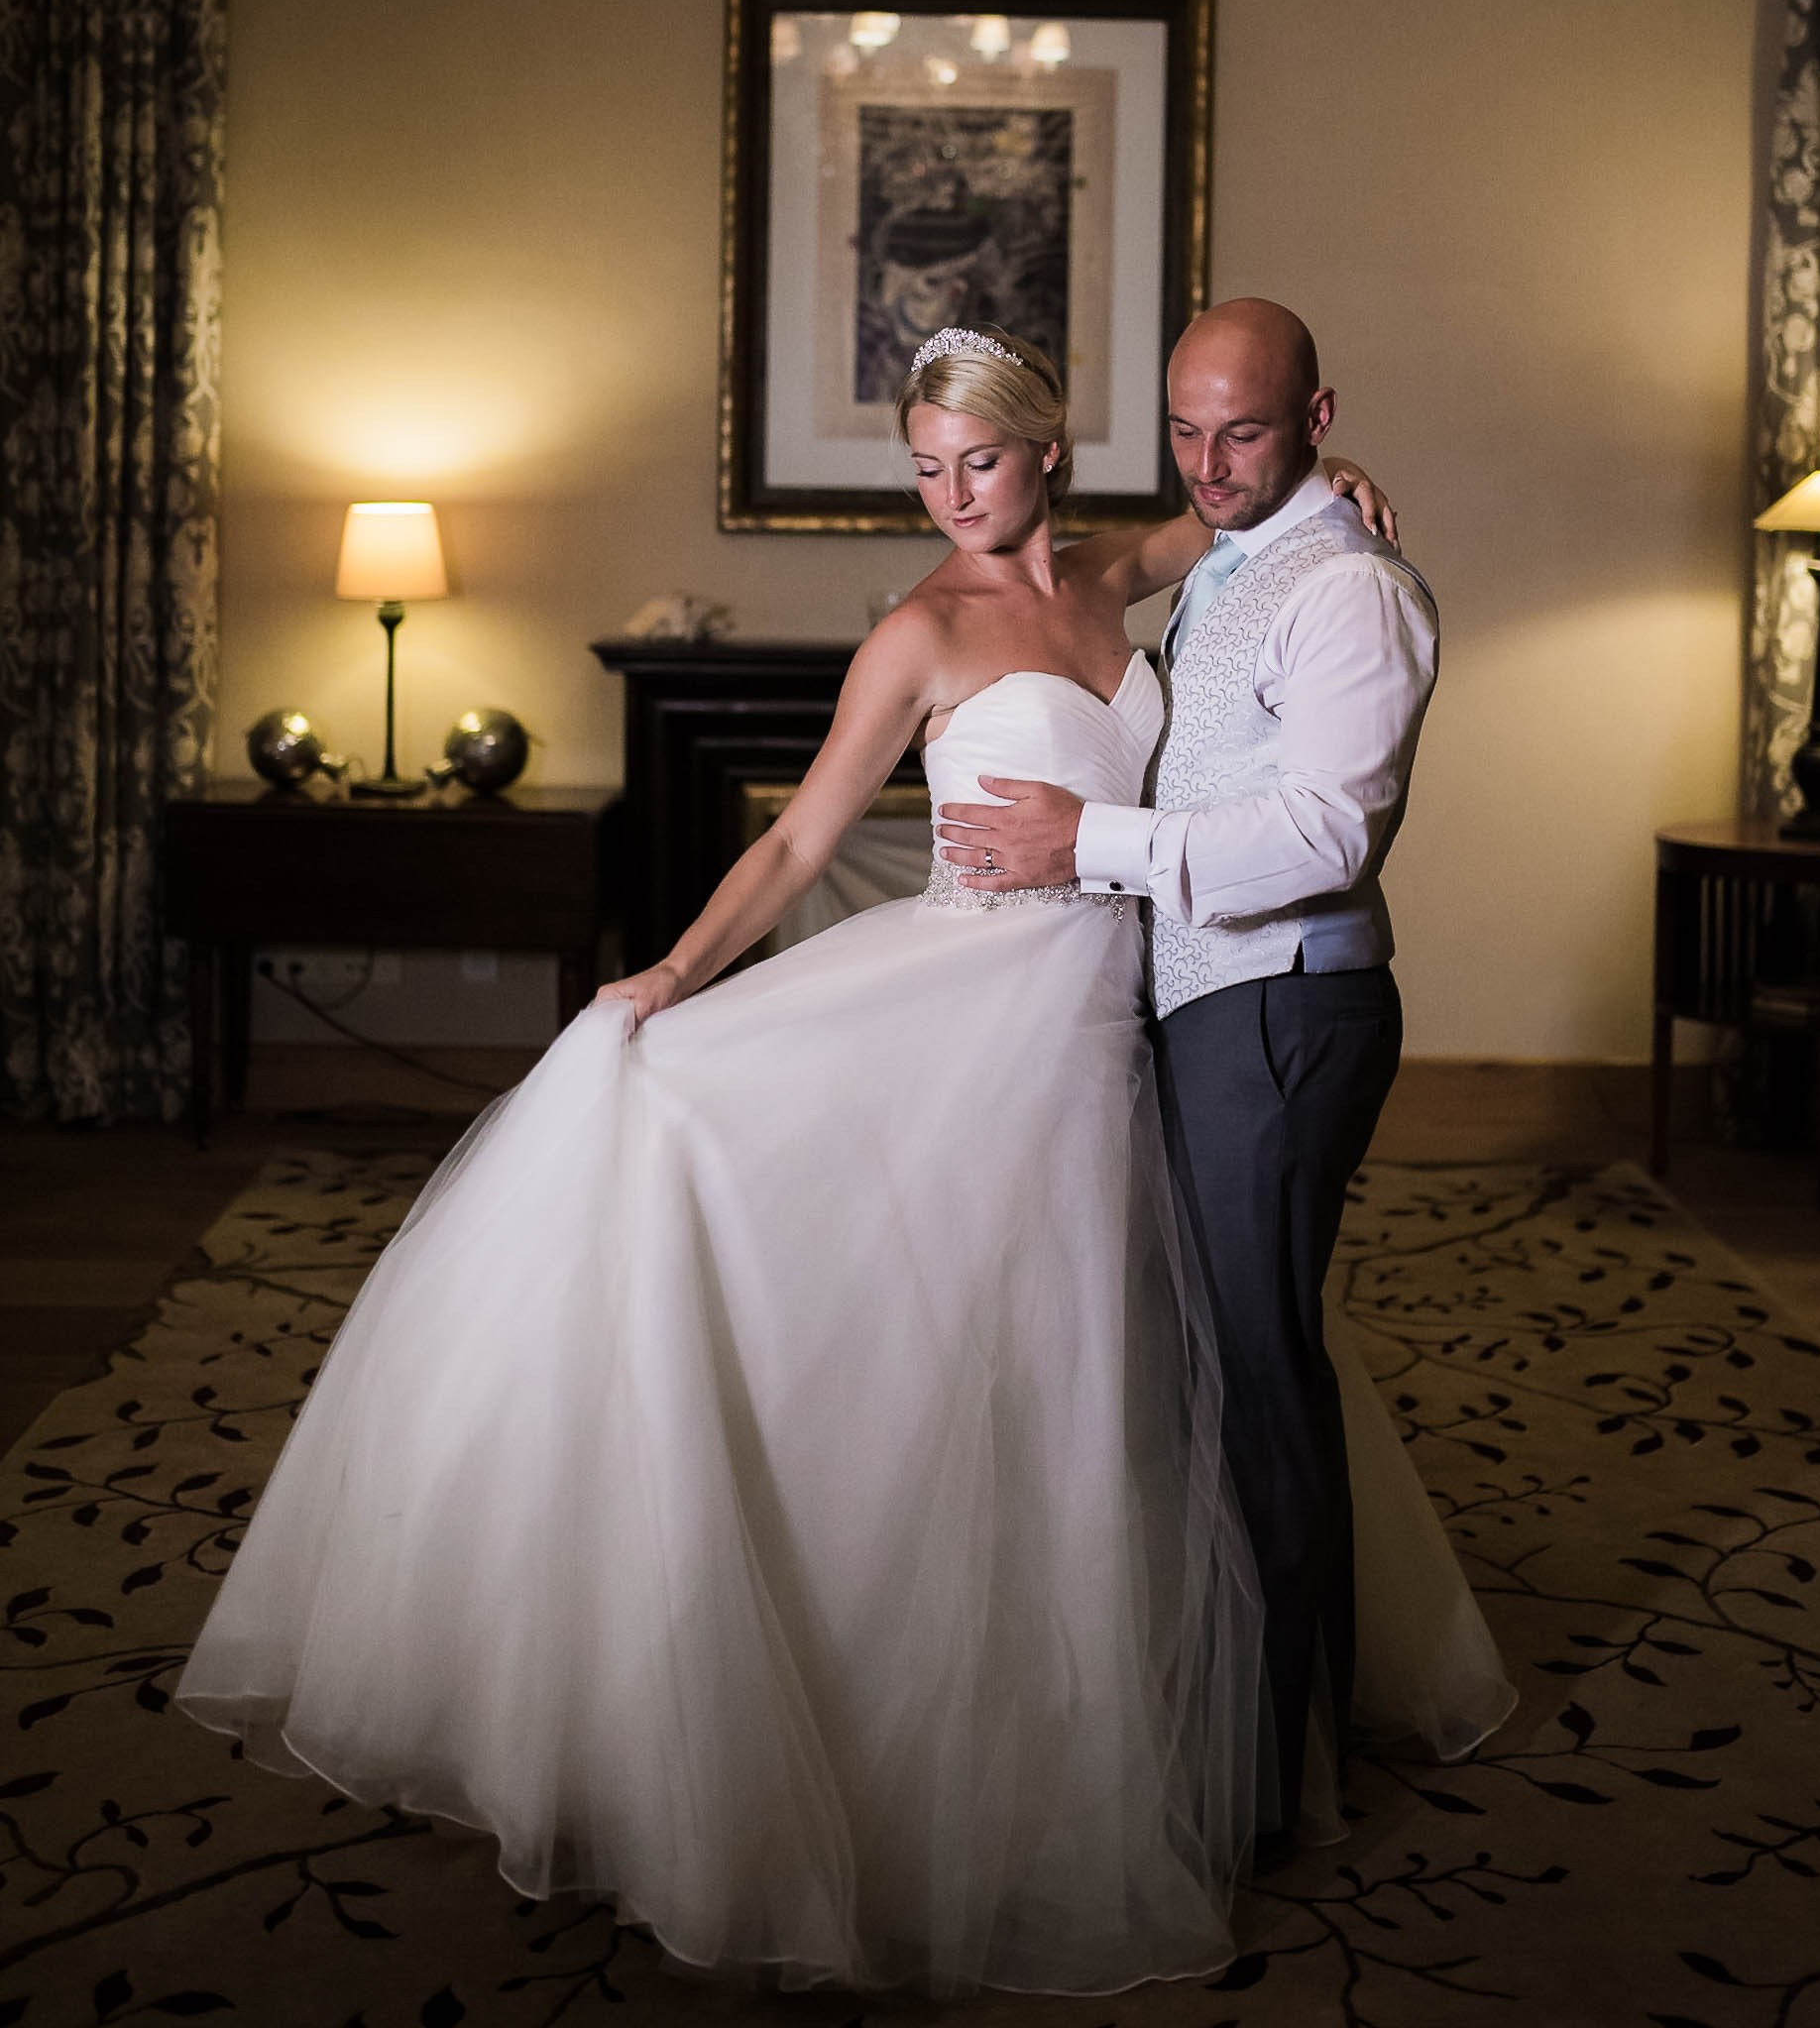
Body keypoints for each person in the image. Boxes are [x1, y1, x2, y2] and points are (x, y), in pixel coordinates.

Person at [176, 324, 1507, 1995]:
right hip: (979, 1003)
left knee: (1108, 1360)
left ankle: (1147, 1709)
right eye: (928, 472)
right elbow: (805, 831)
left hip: (1121, 1013)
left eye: (983, 463)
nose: (956, 498)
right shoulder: (921, 629)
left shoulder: (1122, 563)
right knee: (934, 1340)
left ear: (1048, 455)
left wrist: (1334, 482)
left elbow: (1244, 519)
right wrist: (672, 974)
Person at [937, 298, 1460, 1852]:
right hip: (1203, 1005)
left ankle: (1281, 1771)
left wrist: (1077, 843)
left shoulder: (1351, 589)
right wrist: (1287, 482)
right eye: (1186, 429)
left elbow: (1324, 837)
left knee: (1261, 1382)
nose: (1210, 464)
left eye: (1247, 430)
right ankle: (1249, 1719)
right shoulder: (1232, 548)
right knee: (1225, 1372)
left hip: (1285, 1019)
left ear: (1315, 413)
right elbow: (1192, 551)